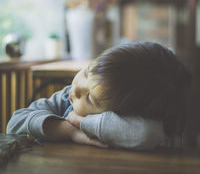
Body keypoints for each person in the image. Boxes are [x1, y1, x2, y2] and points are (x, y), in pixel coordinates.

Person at [6, 42, 191, 150]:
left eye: (91, 99)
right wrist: (71, 132)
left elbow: (146, 133)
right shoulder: (65, 98)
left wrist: (82, 122)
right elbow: (14, 123)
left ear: (125, 114)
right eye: (87, 72)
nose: (77, 89)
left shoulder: (142, 124)